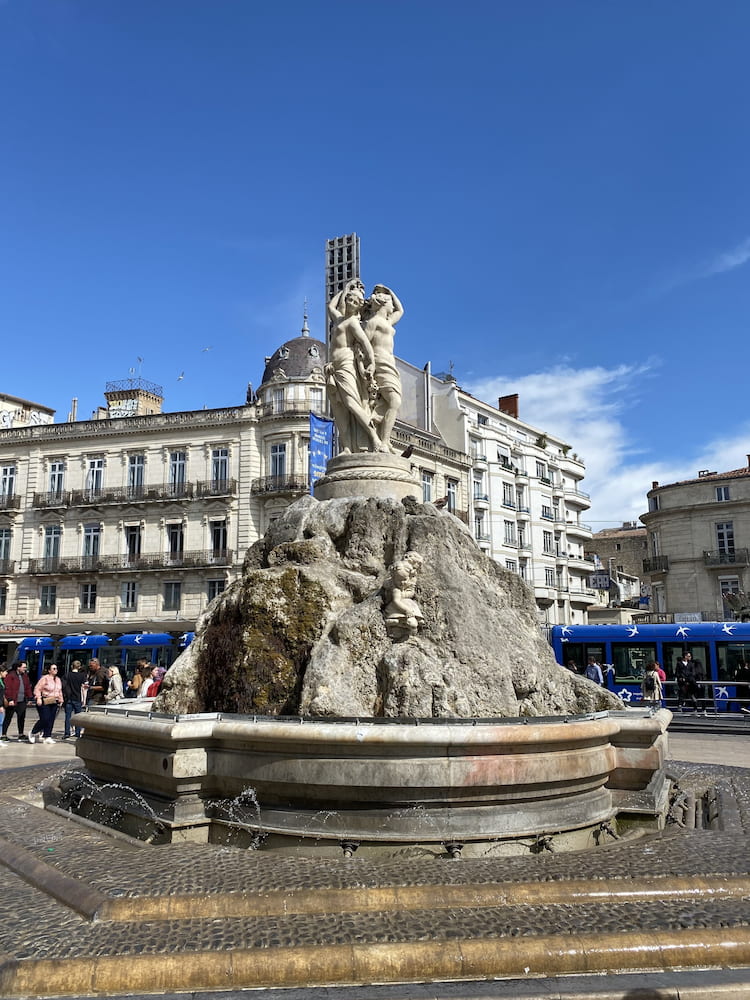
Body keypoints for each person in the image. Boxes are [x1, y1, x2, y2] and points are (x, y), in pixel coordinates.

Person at [325, 280, 383, 454]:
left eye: (354, 301)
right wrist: (347, 288)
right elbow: (331, 306)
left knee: (351, 403)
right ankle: (347, 447)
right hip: (332, 368)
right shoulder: (339, 320)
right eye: (349, 299)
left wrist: (371, 363)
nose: (349, 302)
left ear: (358, 306)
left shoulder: (352, 323)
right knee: (339, 409)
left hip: (345, 364)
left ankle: (374, 438)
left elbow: (366, 344)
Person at [362, 284, 404, 452]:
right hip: (380, 362)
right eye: (389, 303)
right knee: (394, 401)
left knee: (390, 403)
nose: (392, 306)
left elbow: (401, 311)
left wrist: (389, 291)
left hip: (390, 363)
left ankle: (382, 431)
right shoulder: (373, 322)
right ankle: (384, 442)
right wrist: (369, 364)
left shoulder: (387, 321)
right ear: (382, 305)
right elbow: (363, 344)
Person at [30, 663, 63, 743]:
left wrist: (61, 699)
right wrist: (38, 698)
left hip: (54, 700)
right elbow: (37, 688)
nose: (56, 670)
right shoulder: (45, 678)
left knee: (51, 719)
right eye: (54, 669)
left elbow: (59, 690)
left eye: (56, 668)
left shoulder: (58, 679)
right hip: (45, 700)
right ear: (49, 671)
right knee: (45, 718)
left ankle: (47, 736)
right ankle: (33, 732)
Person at [1, 661, 33, 741]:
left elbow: (27, 687)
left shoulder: (25, 676)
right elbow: (7, 688)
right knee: (8, 718)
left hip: (22, 701)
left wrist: (29, 698)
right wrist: (10, 699)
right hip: (13, 700)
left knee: (21, 717)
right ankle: (4, 734)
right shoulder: (11, 675)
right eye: (24, 667)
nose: (25, 669)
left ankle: (21, 734)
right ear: (18, 667)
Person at [62, 660, 86, 739]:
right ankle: (77, 732)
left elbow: (64, 685)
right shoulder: (82, 676)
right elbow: (83, 688)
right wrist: (84, 699)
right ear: (79, 667)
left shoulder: (68, 675)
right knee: (78, 717)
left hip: (69, 698)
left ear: (72, 666)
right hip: (77, 698)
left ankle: (67, 733)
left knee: (68, 716)